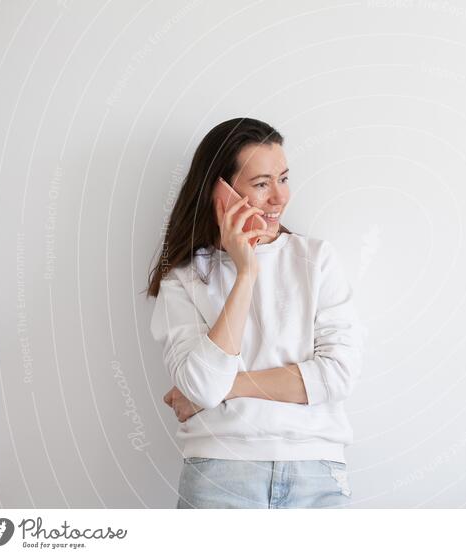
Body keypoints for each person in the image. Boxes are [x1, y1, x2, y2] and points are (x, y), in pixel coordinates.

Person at [146, 117, 365, 508]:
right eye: (262, 184)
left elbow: (337, 376)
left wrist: (227, 388)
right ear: (220, 191)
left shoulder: (316, 259)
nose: (280, 198)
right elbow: (201, 386)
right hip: (221, 473)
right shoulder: (185, 278)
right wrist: (246, 271)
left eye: (283, 179)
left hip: (316, 471)